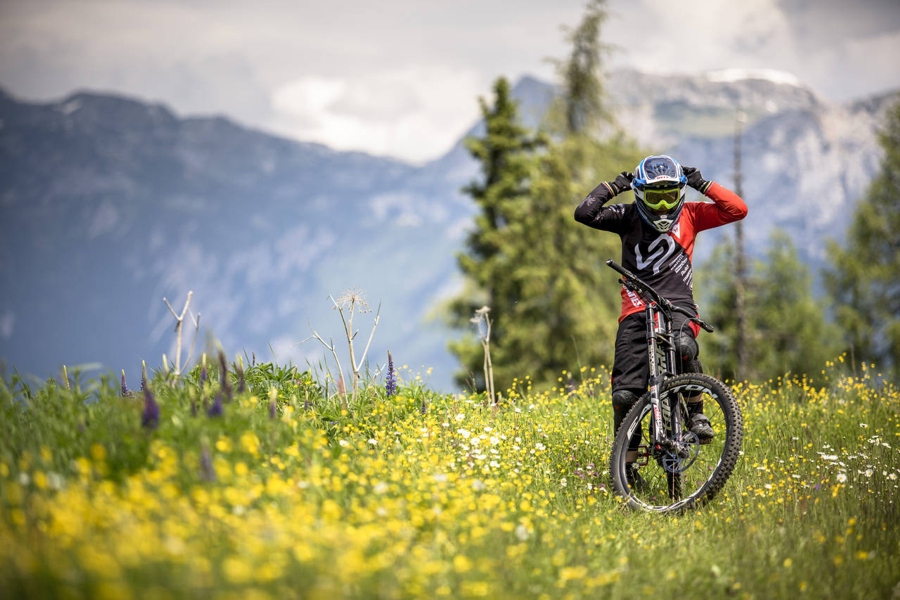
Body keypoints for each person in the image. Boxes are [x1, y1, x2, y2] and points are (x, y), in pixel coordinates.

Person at [574, 154, 748, 486]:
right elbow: (585, 213)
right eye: (656, 197)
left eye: (670, 195)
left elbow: (737, 209)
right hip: (635, 311)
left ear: (680, 193)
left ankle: (696, 414)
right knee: (625, 397)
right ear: (641, 194)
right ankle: (627, 471)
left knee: (683, 347)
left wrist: (701, 184)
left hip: (678, 306)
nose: (664, 205)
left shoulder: (692, 213)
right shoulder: (627, 216)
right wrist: (616, 186)